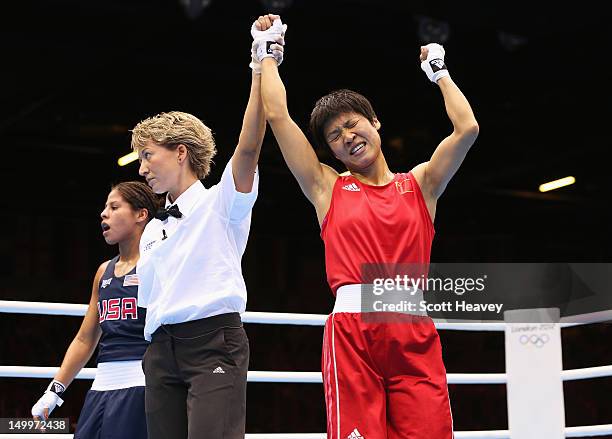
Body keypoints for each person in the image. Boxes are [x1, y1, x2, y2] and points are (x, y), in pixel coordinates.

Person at [256, 14, 479, 439]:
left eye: (352, 123)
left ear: (374, 122)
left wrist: (440, 73)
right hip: (353, 334)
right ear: (333, 150)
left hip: (413, 332)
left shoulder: (422, 184)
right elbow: (277, 116)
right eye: (335, 135)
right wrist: (269, 52)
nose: (347, 136)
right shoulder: (326, 188)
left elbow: (467, 128)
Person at [130, 21, 285, 439]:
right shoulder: (151, 231)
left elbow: (249, 147)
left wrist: (259, 63)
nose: (142, 168)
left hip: (213, 340)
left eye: (147, 155)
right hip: (161, 349)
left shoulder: (223, 202)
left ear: (181, 152)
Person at [31, 181, 161, 439]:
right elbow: (85, 338)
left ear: (141, 214)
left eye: (114, 207)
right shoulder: (104, 272)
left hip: (142, 384)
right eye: (105, 208)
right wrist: (54, 391)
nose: (104, 214)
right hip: (101, 386)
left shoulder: (159, 264)